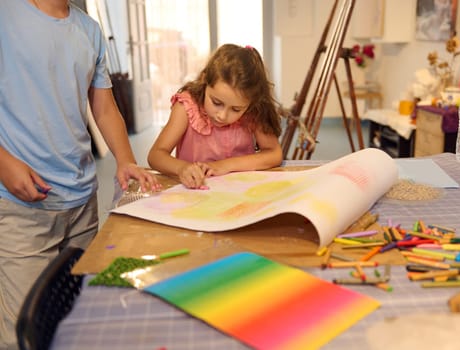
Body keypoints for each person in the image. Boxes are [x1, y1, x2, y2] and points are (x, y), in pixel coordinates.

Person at [0, 1, 160, 348]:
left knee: (82, 315)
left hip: (83, 201)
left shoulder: (89, 30)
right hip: (22, 209)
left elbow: (103, 108)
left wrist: (125, 159)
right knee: (25, 332)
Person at [148, 44, 283, 189]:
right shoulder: (186, 107)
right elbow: (156, 155)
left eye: (236, 109)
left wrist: (224, 166)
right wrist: (182, 168)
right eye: (216, 102)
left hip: (240, 192)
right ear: (205, 80)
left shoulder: (253, 110)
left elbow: (274, 153)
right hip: (194, 196)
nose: (223, 116)